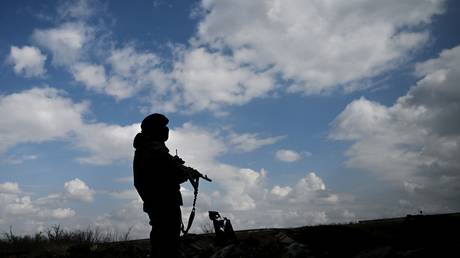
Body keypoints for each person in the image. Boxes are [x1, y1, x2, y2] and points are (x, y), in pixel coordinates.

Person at [133, 113, 192, 258]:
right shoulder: (153, 150)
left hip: (158, 202)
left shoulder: (149, 148)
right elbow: (172, 175)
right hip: (163, 202)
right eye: (163, 127)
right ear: (154, 130)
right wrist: (187, 173)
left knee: (163, 240)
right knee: (167, 243)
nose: (166, 130)